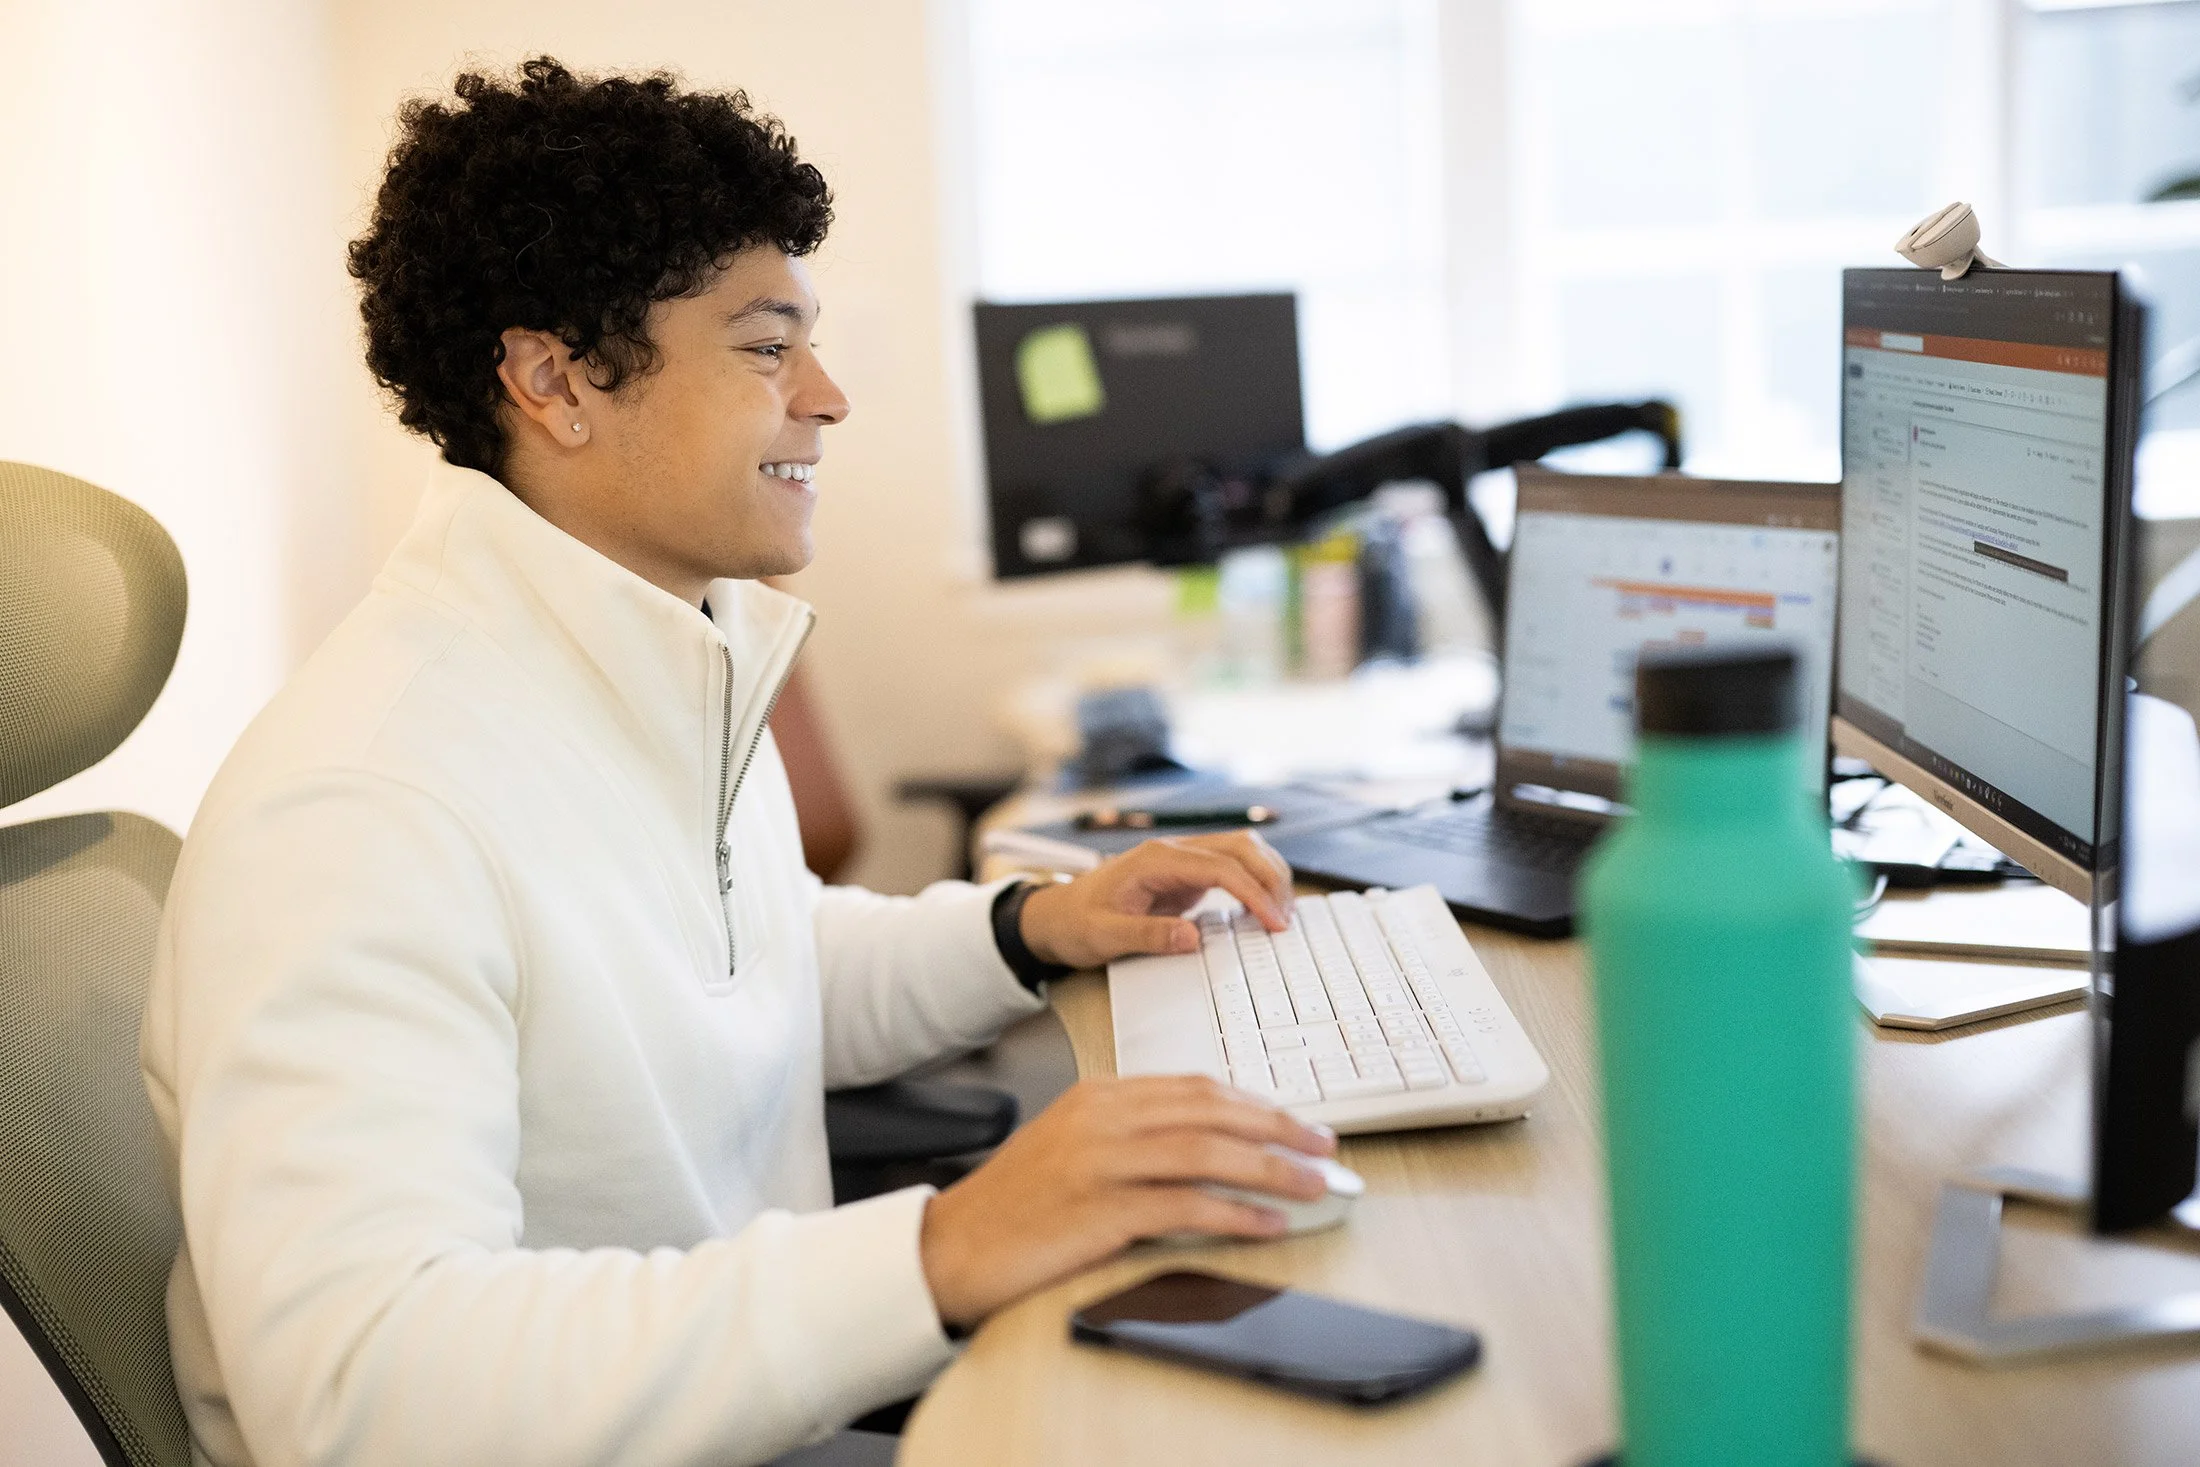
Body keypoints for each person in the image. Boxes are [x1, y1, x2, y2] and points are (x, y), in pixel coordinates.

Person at [141, 56, 1337, 1467]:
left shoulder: (649, 655)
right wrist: (945, 1247)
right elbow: (362, 1392)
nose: (827, 395)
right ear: (553, 379)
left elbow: (741, 982)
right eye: (767, 346)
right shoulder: (362, 806)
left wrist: (1030, 928)